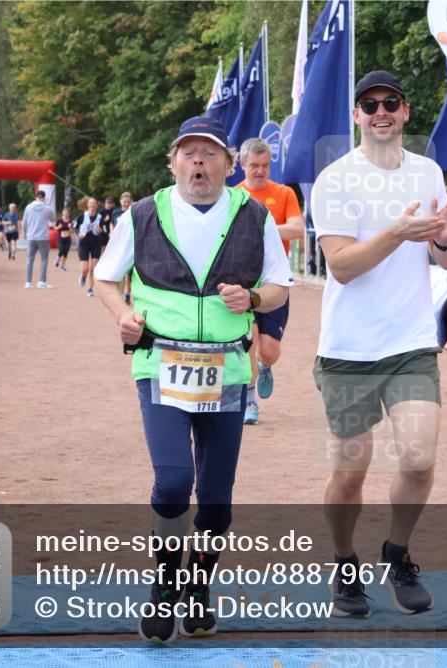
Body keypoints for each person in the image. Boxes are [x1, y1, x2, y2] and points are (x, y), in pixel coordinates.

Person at [94, 116, 292, 642]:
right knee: (174, 480)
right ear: (173, 161)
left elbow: (279, 286)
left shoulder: (253, 216)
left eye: (208, 154)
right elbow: (105, 277)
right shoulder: (141, 214)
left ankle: (199, 585)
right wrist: (122, 314)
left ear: (228, 164)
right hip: (159, 365)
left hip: (226, 369)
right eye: (189, 153)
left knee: (217, 499)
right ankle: (164, 584)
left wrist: (251, 299)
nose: (198, 162)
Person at [310, 71, 447, 618]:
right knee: (350, 470)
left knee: (421, 459)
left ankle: (397, 552)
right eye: (369, 104)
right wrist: (398, 234)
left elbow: (444, 259)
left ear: (405, 112)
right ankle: (345, 559)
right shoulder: (335, 178)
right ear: (356, 115)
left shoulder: (427, 171)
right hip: (348, 348)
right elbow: (342, 266)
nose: (380, 111)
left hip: (410, 340)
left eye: (391, 103)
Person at [236, 137, 305, 425]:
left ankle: (265, 366)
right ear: (242, 165)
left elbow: (297, 229)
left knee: (269, 350)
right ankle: (250, 401)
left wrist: (263, 227)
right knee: (248, 342)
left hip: (276, 281)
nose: (260, 171)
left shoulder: (284, 193)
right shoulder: (233, 195)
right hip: (244, 281)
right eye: (254, 166)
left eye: (265, 166)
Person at [21, 190, 56, 289]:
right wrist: (49, 207)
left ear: (36, 197)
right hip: (43, 237)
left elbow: (25, 222)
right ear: (44, 198)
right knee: (44, 259)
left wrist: (25, 234)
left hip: (31, 237)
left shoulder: (28, 207)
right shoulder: (47, 208)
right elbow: (53, 219)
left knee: (29, 260)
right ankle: (41, 281)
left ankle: (28, 282)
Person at [77, 197, 104, 297]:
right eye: (90, 203)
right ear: (87, 205)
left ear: (97, 205)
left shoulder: (100, 217)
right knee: (85, 269)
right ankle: (83, 276)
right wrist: (78, 233)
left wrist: (101, 230)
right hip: (84, 243)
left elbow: (104, 230)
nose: (92, 205)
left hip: (96, 244)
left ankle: (90, 289)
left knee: (93, 268)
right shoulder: (82, 216)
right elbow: (75, 226)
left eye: (94, 203)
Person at [117, 191, 134, 304]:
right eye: (124, 201)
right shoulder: (115, 213)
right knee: (120, 273)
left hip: (131, 245)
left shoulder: (134, 212)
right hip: (119, 247)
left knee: (129, 274)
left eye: (128, 202)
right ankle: (121, 294)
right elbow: (112, 229)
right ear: (120, 202)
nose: (126, 203)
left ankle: (127, 293)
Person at [54, 206, 74, 271]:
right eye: (64, 212)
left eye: (67, 212)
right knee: (61, 250)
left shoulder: (70, 221)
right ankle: (57, 259)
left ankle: (62, 266)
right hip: (61, 238)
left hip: (68, 239)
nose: (66, 213)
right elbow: (55, 228)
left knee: (65, 253)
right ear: (62, 212)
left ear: (69, 213)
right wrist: (59, 227)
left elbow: (72, 232)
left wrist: (70, 227)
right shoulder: (59, 220)